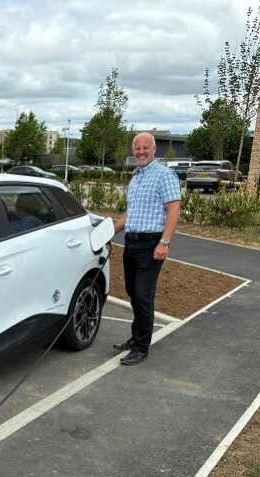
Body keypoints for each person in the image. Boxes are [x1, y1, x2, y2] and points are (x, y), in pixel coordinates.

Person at [112, 132, 181, 366]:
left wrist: (164, 242)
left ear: (154, 150)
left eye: (145, 148)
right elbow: (131, 213)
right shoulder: (136, 177)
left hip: (151, 244)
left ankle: (141, 348)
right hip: (131, 242)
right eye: (137, 148)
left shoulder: (164, 175)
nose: (141, 152)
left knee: (143, 296)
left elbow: (173, 210)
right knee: (133, 293)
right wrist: (109, 232)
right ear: (133, 150)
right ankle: (136, 337)